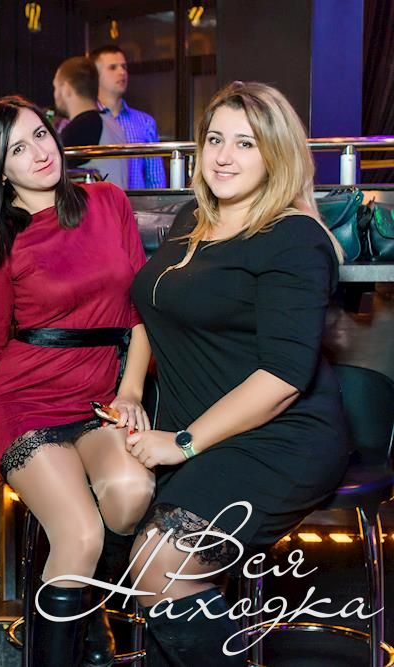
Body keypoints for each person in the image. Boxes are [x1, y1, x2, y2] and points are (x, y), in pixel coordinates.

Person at [0, 96, 155, 666]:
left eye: (40, 136)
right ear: (0, 170)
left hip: (100, 395)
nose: (39, 153)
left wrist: (130, 391)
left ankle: (84, 609)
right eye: (17, 150)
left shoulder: (109, 202)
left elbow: (141, 310)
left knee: (130, 495)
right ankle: (67, 640)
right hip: (26, 399)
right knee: (80, 533)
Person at [125, 81, 348, 665]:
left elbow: (284, 377)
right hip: (201, 428)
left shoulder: (293, 238)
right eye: (215, 140)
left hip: (278, 439)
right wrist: (129, 391)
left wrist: (182, 442)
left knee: (159, 565)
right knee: (121, 539)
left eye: (246, 143)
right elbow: (149, 309)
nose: (224, 157)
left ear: (276, 153)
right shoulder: (191, 218)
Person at [89, 45, 166, 189]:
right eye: (113, 67)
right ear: (95, 75)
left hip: (136, 203)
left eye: (124, 67)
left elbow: (156, 180)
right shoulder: (86, 122)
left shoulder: (144, 122)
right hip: (98, 201)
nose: (122, 72)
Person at [53, 56, 128, 188]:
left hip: (96, 201)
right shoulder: (109, 122)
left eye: (56, 87)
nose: (55, 94)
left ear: (66, 88)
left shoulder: (81, 127)